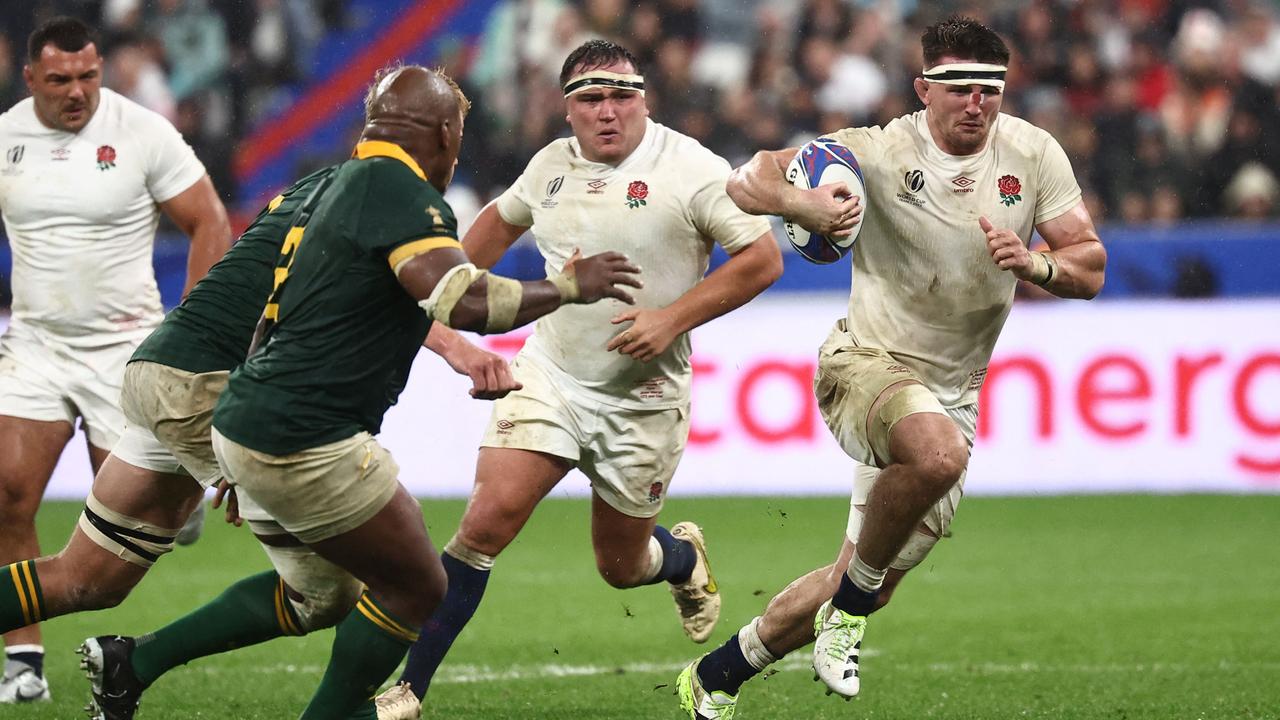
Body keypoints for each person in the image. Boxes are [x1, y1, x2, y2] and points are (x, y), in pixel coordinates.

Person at [80, 64, 641, 720]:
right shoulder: (400, 191)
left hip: (251, 412)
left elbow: (272, 317)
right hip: (305, 431)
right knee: (417, 586)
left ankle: (133, 663)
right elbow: (465, 299)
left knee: (324, 594)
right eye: (456, 135)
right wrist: (571, 285)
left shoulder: (333, 187)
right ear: (443, 132)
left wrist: (238, 438)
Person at [675, 16, 1107, 718]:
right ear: (923, 88)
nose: (977, 103)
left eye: (990, 89)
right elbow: (747, 176)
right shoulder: (873, 150)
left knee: (866, 576)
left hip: (952, 392)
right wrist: (801, 201)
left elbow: (1089, 265)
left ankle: (717, 675)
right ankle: (847, 619)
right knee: (935, 459)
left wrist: (1037, 263)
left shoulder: (1033, 153)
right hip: (866, 365)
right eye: (961, 87)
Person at [0, 159, 518, 720]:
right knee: (359, 582)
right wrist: (466, 349)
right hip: (212, 388)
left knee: (86, 578)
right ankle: (350, 715)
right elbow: (394, 289)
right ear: (446, 143)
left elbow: (284, 303)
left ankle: (130, 665)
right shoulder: (379, 198)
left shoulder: (320, 184)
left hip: (170, 367)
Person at [383, 39, 783, 710]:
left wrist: (671, 319)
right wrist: (431, 293)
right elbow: (473, 245)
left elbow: (763, 259)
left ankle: (680, 560)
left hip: (643, 399)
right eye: (591, 98)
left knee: (621, 567)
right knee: (484, 525)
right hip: (553, 376)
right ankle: (407, 689)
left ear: (644, 100)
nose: (608, 111)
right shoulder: (549, 168)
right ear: (566, 109)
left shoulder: (691, 167)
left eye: (622, 96)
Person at [0, 17, 231, 703]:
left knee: (125, 542)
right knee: (8, 493)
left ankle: (179, 497)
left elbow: (209, 221)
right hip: (36, 344)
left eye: (89, 76)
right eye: (62, 80)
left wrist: (195, 333)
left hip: (125, 352)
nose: (78, 92)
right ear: (31, 79)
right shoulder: (7, 135)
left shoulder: (142, 131)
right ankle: (24, 659)